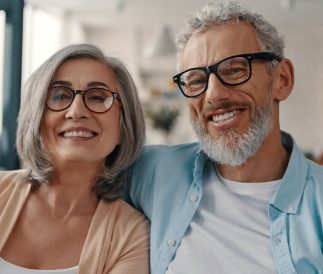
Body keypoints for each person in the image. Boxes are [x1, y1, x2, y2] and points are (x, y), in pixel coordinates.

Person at [125, 2, 323, 274]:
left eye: (234, 70)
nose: (213, 95)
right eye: (195, 80)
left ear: (282, 80)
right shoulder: (153, 171)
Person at [0, 44, 149, 274]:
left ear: (123, 124)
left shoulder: (131, 235)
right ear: (36, 116)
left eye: (98, 97)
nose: (77, 111)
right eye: (60, 95)